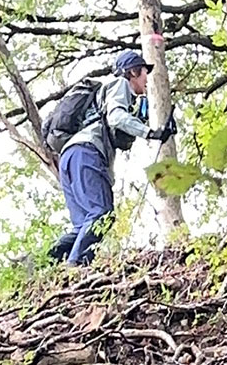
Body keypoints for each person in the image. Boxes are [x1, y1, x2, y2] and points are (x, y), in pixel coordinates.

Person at [45, 51, 175, 267]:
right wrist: (150, 132)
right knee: (101, 214)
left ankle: (47, 262)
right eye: (144, 72)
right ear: (132, 71)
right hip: (87, 153)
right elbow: (116, 117)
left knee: (84, 225)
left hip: (69, 157)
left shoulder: (105, 94)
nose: (146, 79)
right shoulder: (119, 84)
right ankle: (75, 266)